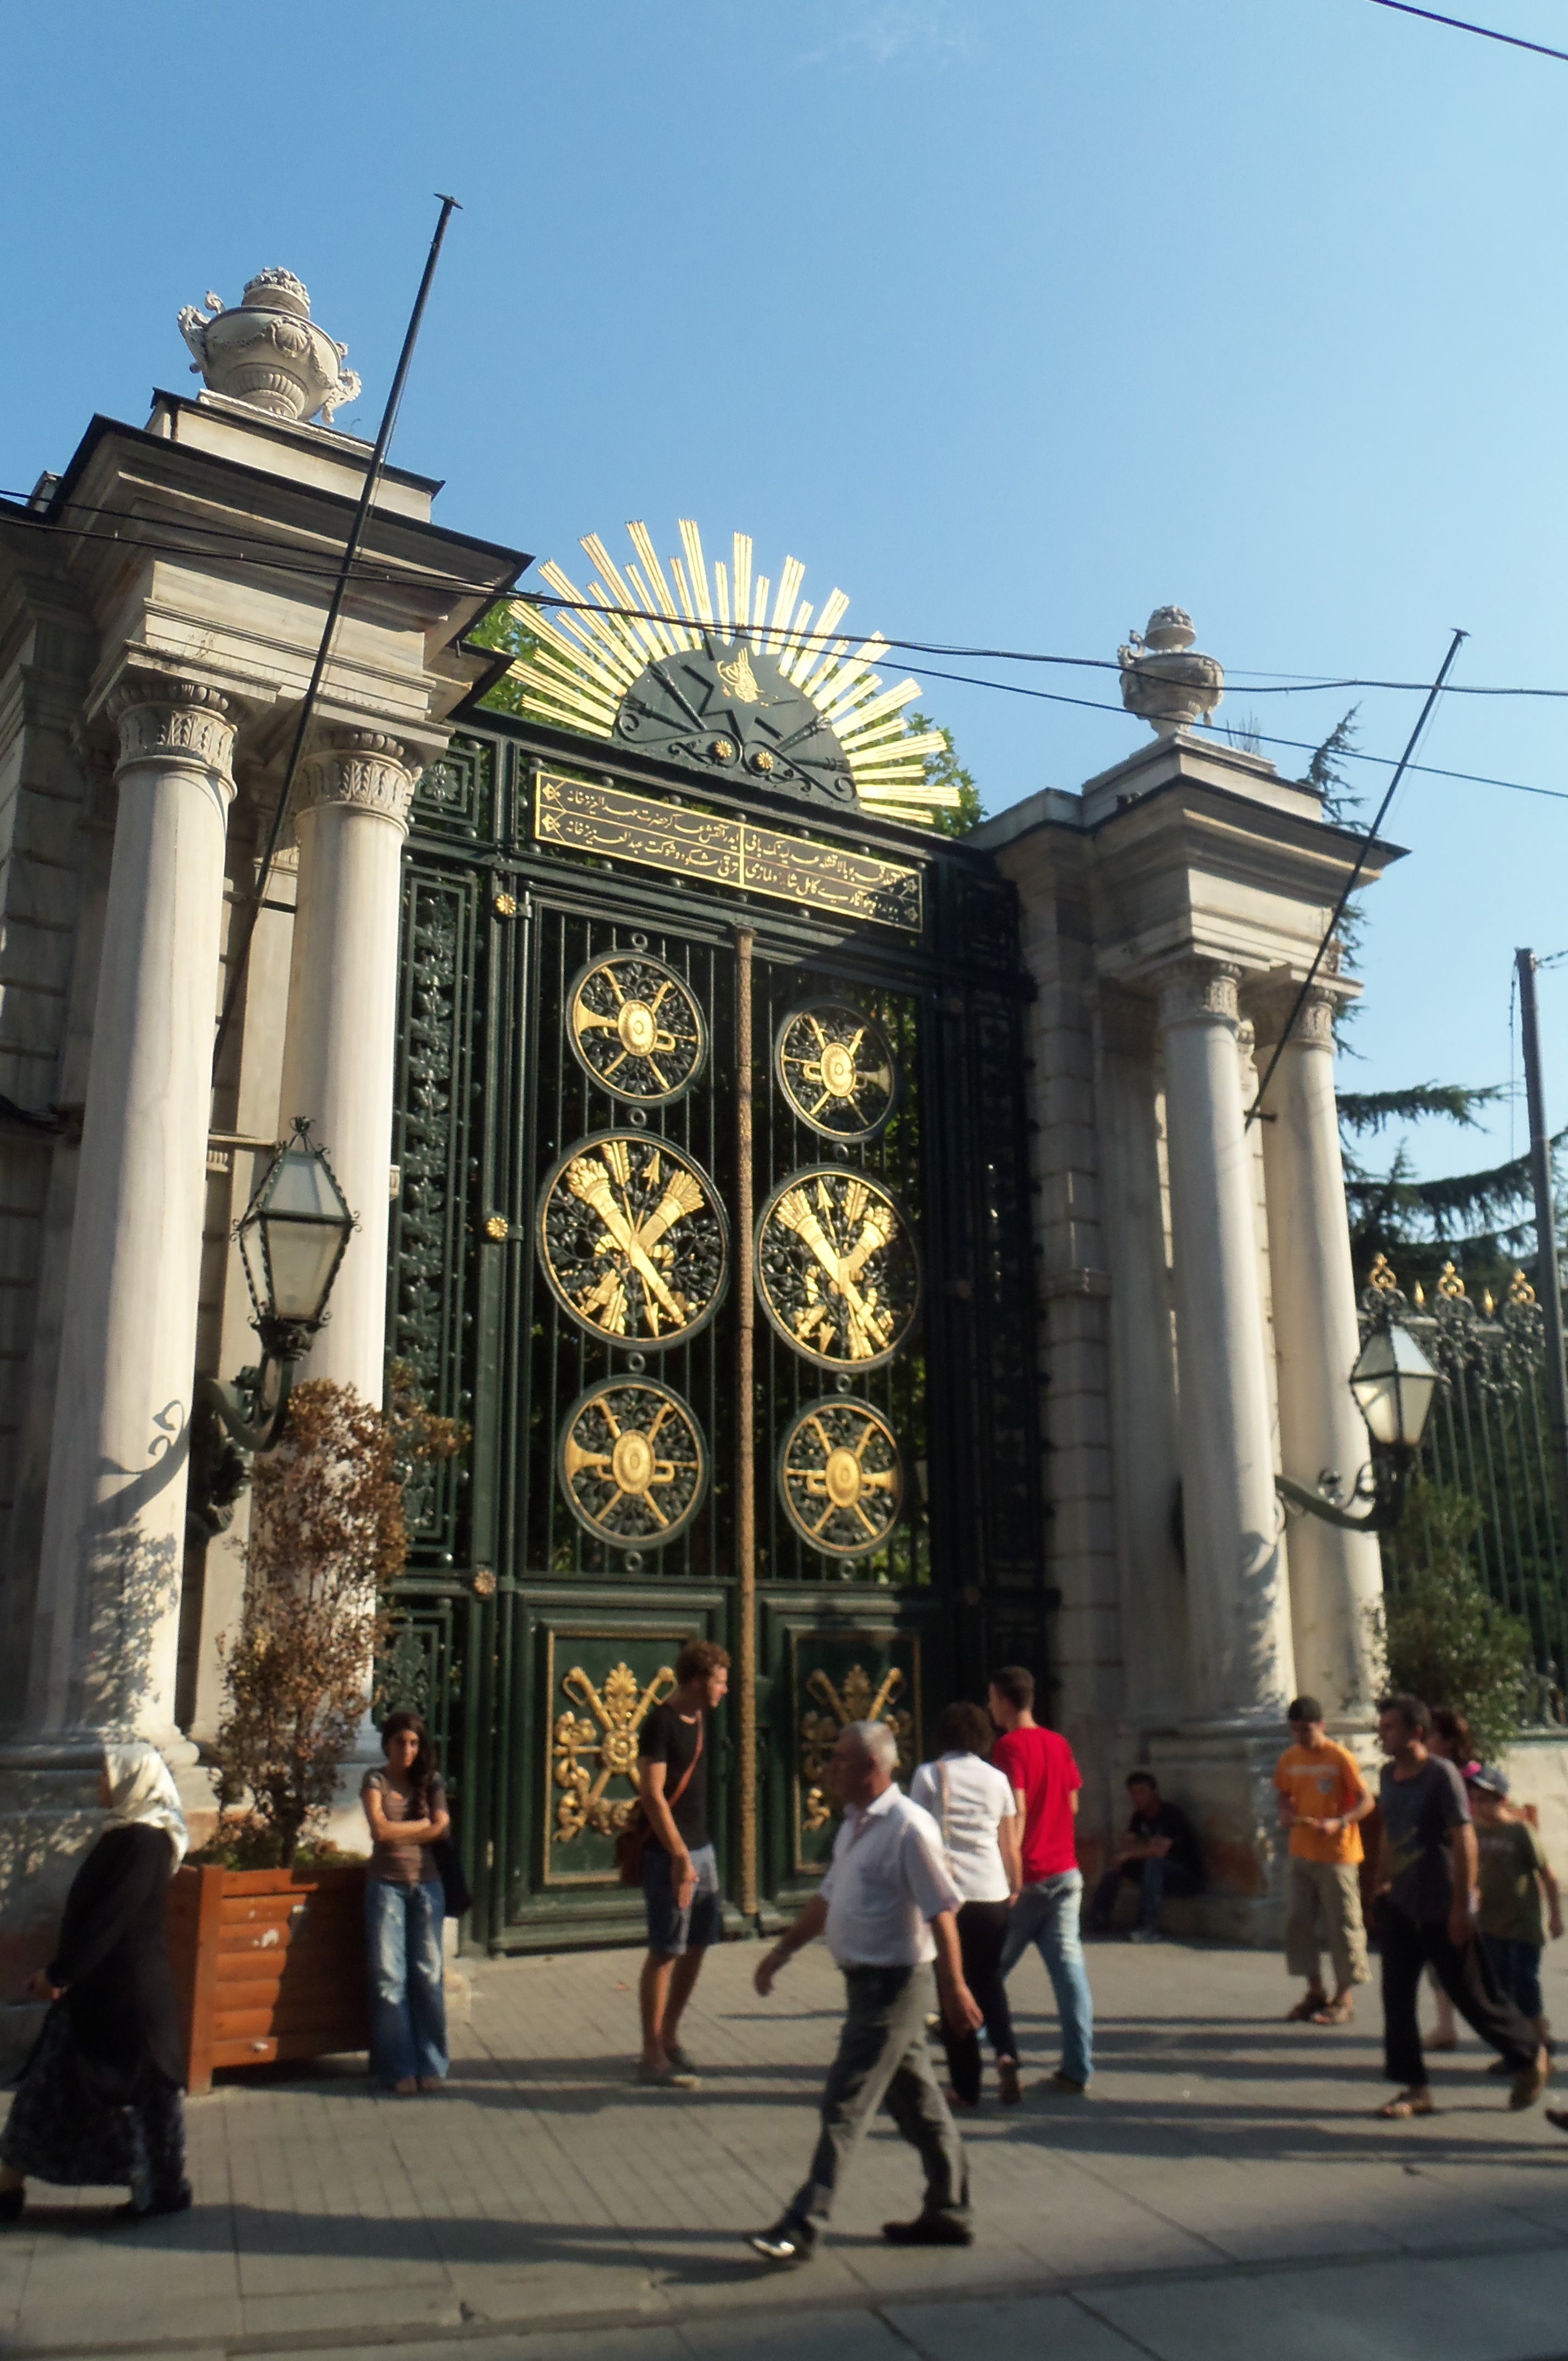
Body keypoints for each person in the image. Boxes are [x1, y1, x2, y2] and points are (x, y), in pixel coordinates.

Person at [748, 1720, 982, 2265]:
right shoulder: (855, 1826)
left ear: (871, 1767)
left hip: (893, 1987)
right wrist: (782, 1951)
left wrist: (953, 1986)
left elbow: (943, 1911)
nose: (830, 1768)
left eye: (840, 1759)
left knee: (845, 2103)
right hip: (867, 1986)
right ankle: (950, 2209)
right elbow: (827, 1900)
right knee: (918, 2104)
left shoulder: (909, 1828)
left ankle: (803, 2224)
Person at [0, 1743, 190, 2222]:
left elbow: (110, 1919)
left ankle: (160, 2190)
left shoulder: (145, 1842)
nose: (99, 1784)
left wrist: (60, 1974)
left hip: (126, 2001)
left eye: (108, 1775)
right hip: (102, 1995)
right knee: (53, 2090)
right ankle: (9, 2181)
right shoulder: (125, 1835)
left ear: (134, 1780)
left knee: (135, 2099)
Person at [1371, 1693, 1549, 2119]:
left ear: (1415, 1732)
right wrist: (1381, 1880)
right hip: (1402, 1905)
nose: (1382, 1735)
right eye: (1381, 1727)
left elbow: (1465, 1838)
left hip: (1441, 1904)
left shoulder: (1441, 1775)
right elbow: (1390, 1830)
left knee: (1473, 1996)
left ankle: (1530, 2054)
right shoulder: (1387, 1775)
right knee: (1396, 1997)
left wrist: (1461, 1906)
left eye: (1390, 1727)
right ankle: (1415, 2089)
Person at [910, 1700, 1022, 2107]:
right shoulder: (997, 1779)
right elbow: (1009, 1842)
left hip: (950, 1897)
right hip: (992, 1892)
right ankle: (1006, 2053)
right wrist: (1014, 1884)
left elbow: (915, 1834)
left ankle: (966, 2085)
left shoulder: (929, 1775)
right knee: (989, 1980)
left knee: (952, 1985)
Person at [988, 1664, 1094, 2093]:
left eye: (992, 1699)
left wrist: (1011, 1877)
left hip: (1029, 1876)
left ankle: (968, 2037)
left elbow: (1014, 1811)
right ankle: (1077, 2067)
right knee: (1070, 1973)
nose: (990, 1708)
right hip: (1065, 1872)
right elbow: (1073, 1803)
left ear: (1005, 1701)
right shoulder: (1058, 1743)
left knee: (989, 1968)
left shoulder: (1009, 1747)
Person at [635, 1638, 730, 2090]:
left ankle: (670, 2032)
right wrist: (677, 1855)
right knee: (666, 1948)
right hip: (671, 1855)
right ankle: (651, 2049)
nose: (724, 1690)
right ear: (696, 1681)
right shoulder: (661, 1723)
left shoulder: (701, 1718)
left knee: (698, 1943)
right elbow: (652, 1794)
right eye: (719, 1682)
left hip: (703, 1848)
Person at [362, 1709, 450, 2095]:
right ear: (387, 1744)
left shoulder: (431, 1782)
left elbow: (443, 1826)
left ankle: (431, 2062)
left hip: (427, 1886)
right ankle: (398, 2067)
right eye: (401, 1742)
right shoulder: (375, 1780)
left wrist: (402, 1830)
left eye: (414, 1743)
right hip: (387, 1886)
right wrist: (422, 1829)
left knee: (429, 1975)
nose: (408, 1750)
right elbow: (379, 1831)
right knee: (389, 1978)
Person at [1273, 1694, 1375, 2025]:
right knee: (1298, 1922)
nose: (1301, 1736)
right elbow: (1283, 1793)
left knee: (1342, 1925)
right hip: (1302, 1851)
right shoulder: (1289, 1759)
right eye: (1296, 1730)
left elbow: (1366, 1801)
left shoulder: (1340, 1758)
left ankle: (1344, 1997)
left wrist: (1340, 1822)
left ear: (1322, 1725)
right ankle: (1315, 1990)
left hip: (1337, 1855)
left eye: (1307, 1729)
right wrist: (1286, 1812)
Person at [1469, 1766, 1562, 2057]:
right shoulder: (1474, 1832)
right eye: (1477, 1799)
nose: (1481, 1806)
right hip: (1490, 1923)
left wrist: (1556, 1917)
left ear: (1503, 1800)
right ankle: (1517, 2051)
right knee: (1500, 1990)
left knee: (1525, 1985)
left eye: (1487, 1799)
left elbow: (1548, 1875)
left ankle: (1540, 2040)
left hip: (1523, 1922)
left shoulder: (1520, 1831)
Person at [1423, 1709, 1479, 2055]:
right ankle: (1446, 2026)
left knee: (1482, 1960)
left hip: (1469, 1878)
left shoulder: (1472, 1779)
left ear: (1444, 1741)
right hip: (1441, 1877)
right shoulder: (1430, 1775)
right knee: (1441, 1955)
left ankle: (1525, 2032)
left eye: (1429, 1735)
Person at [1088, 1771, 1204, 1941]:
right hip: (1156, 1876)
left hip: (1185, 1876)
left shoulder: (1171, 1814)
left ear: (1154, 1792)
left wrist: (1136, 1851)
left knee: (1154, 1863)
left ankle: (1148, 1927)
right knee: (1118, 1862)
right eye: (1133, 1794)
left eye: (1142, 1792)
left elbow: (1159, 1851)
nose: (1138, 1798)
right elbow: (1128, 1844)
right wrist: (1136, 1851)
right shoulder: (1139, 1816)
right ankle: (1099, 1916)